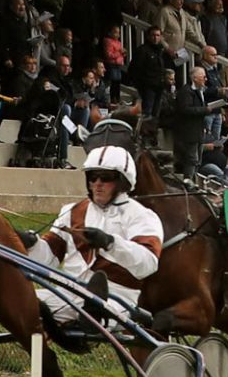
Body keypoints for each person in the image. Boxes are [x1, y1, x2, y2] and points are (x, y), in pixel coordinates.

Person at [29, 146, 164, 343]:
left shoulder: (141, 216)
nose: (97, 184)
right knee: (6, 302)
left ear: (122, 181)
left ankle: (93, 315)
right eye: (93, 177)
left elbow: (148, 264)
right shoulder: (72, 211)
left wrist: (110, 243)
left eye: (105, 178)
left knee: (97, 312)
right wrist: (28, 243)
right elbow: (47, 259)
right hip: (66, 294)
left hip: (116, 299)